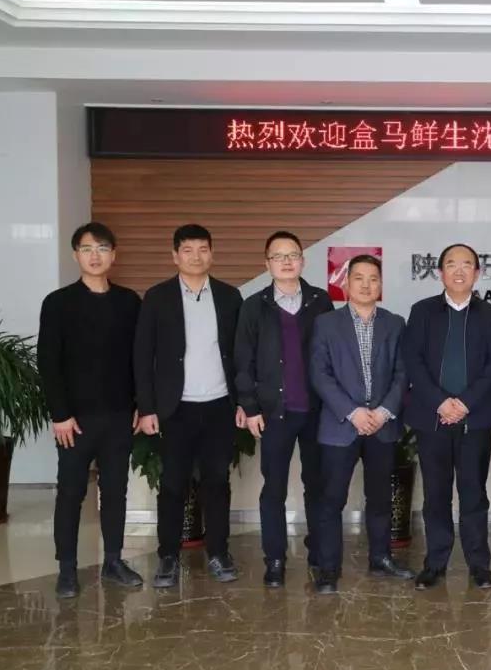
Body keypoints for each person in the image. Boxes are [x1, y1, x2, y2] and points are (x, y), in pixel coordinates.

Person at [134, 224, 244, 588]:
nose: (196, 256)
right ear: (175, 256)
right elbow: (142, 356)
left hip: (219, 406)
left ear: (212, 253)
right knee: (172, 484)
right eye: (187, 250)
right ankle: (168, 556)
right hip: (175, 408)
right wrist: (147, 408)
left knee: (217, 482)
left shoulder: (229, 296)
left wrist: (243, 402)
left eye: (202, 249)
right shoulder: (157, 297)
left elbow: (241, 354)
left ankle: (218, 552)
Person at [38, 222, 144, 598]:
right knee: (70, 493)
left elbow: (139, 358)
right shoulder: (58, 303)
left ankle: (113, 561)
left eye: (102, 248)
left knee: (115, 491)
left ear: (113, 255)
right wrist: (60, 414)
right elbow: (48, 362)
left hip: (118, 416)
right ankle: (67, 568)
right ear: (76, 255)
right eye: (87, 249)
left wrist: (140, 404)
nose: (95, 256)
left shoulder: (129, 302)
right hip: (75, 421)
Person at [403, 243, 491, 590]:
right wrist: (440, 402)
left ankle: (479, 564)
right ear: (440, 272)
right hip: (431, 418)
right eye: (451, 264)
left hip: (474, 419)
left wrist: (463, 403)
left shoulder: (490, 314)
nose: (459, 271)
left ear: (477, 273)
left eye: (466, 265)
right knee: (436, 494)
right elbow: (413, 361)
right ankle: (435, 563)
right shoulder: (422, 311)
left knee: (473, 492)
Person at [309, 254, 414, 593]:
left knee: (380, 498)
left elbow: (403, 373)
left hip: (382, 426)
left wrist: (383, 412)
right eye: (359, 278)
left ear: (380, 285)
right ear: (345, 283)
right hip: (340, 425)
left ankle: (380, 558)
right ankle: (328, 569)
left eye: (373, 279)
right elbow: (320, 374)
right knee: (331, 500)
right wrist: (352, 412)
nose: (366, 285)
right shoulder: (326, 323)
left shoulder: (395, 323)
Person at [234, 231, 333, 587]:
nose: (286, 262)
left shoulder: (320, 301)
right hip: (274, 412)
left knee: (317, 485)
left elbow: (331, 354)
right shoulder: (254, 306)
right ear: (267, 264)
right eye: (278, 256)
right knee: (273, 488)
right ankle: (274, 558)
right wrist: (249, 405)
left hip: (316, 411)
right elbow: (243, 360)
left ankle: (319, 553)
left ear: (303, 261)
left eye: (292, 255)